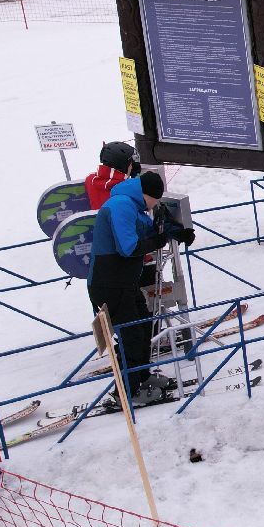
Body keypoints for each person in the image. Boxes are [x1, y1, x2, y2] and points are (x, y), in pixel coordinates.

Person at [88, 170, 194, 401]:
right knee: (131, 337)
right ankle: (126, 392)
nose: (153, 206)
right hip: (109, 284)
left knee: (145, 328)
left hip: (125, 283)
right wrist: (158, 241)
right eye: (153, 201)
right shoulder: (121, 205)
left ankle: (142, 377)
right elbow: (128, 247)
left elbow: (151, 228)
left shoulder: (133, 205)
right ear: (145, 194)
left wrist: (178, 233)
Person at [84, 140, 159, 291]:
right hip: (134, 254)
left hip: (104, 256)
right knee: (145, 305)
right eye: (131, 164)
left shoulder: (91, 181)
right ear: (123, 165)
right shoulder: (124, 190)